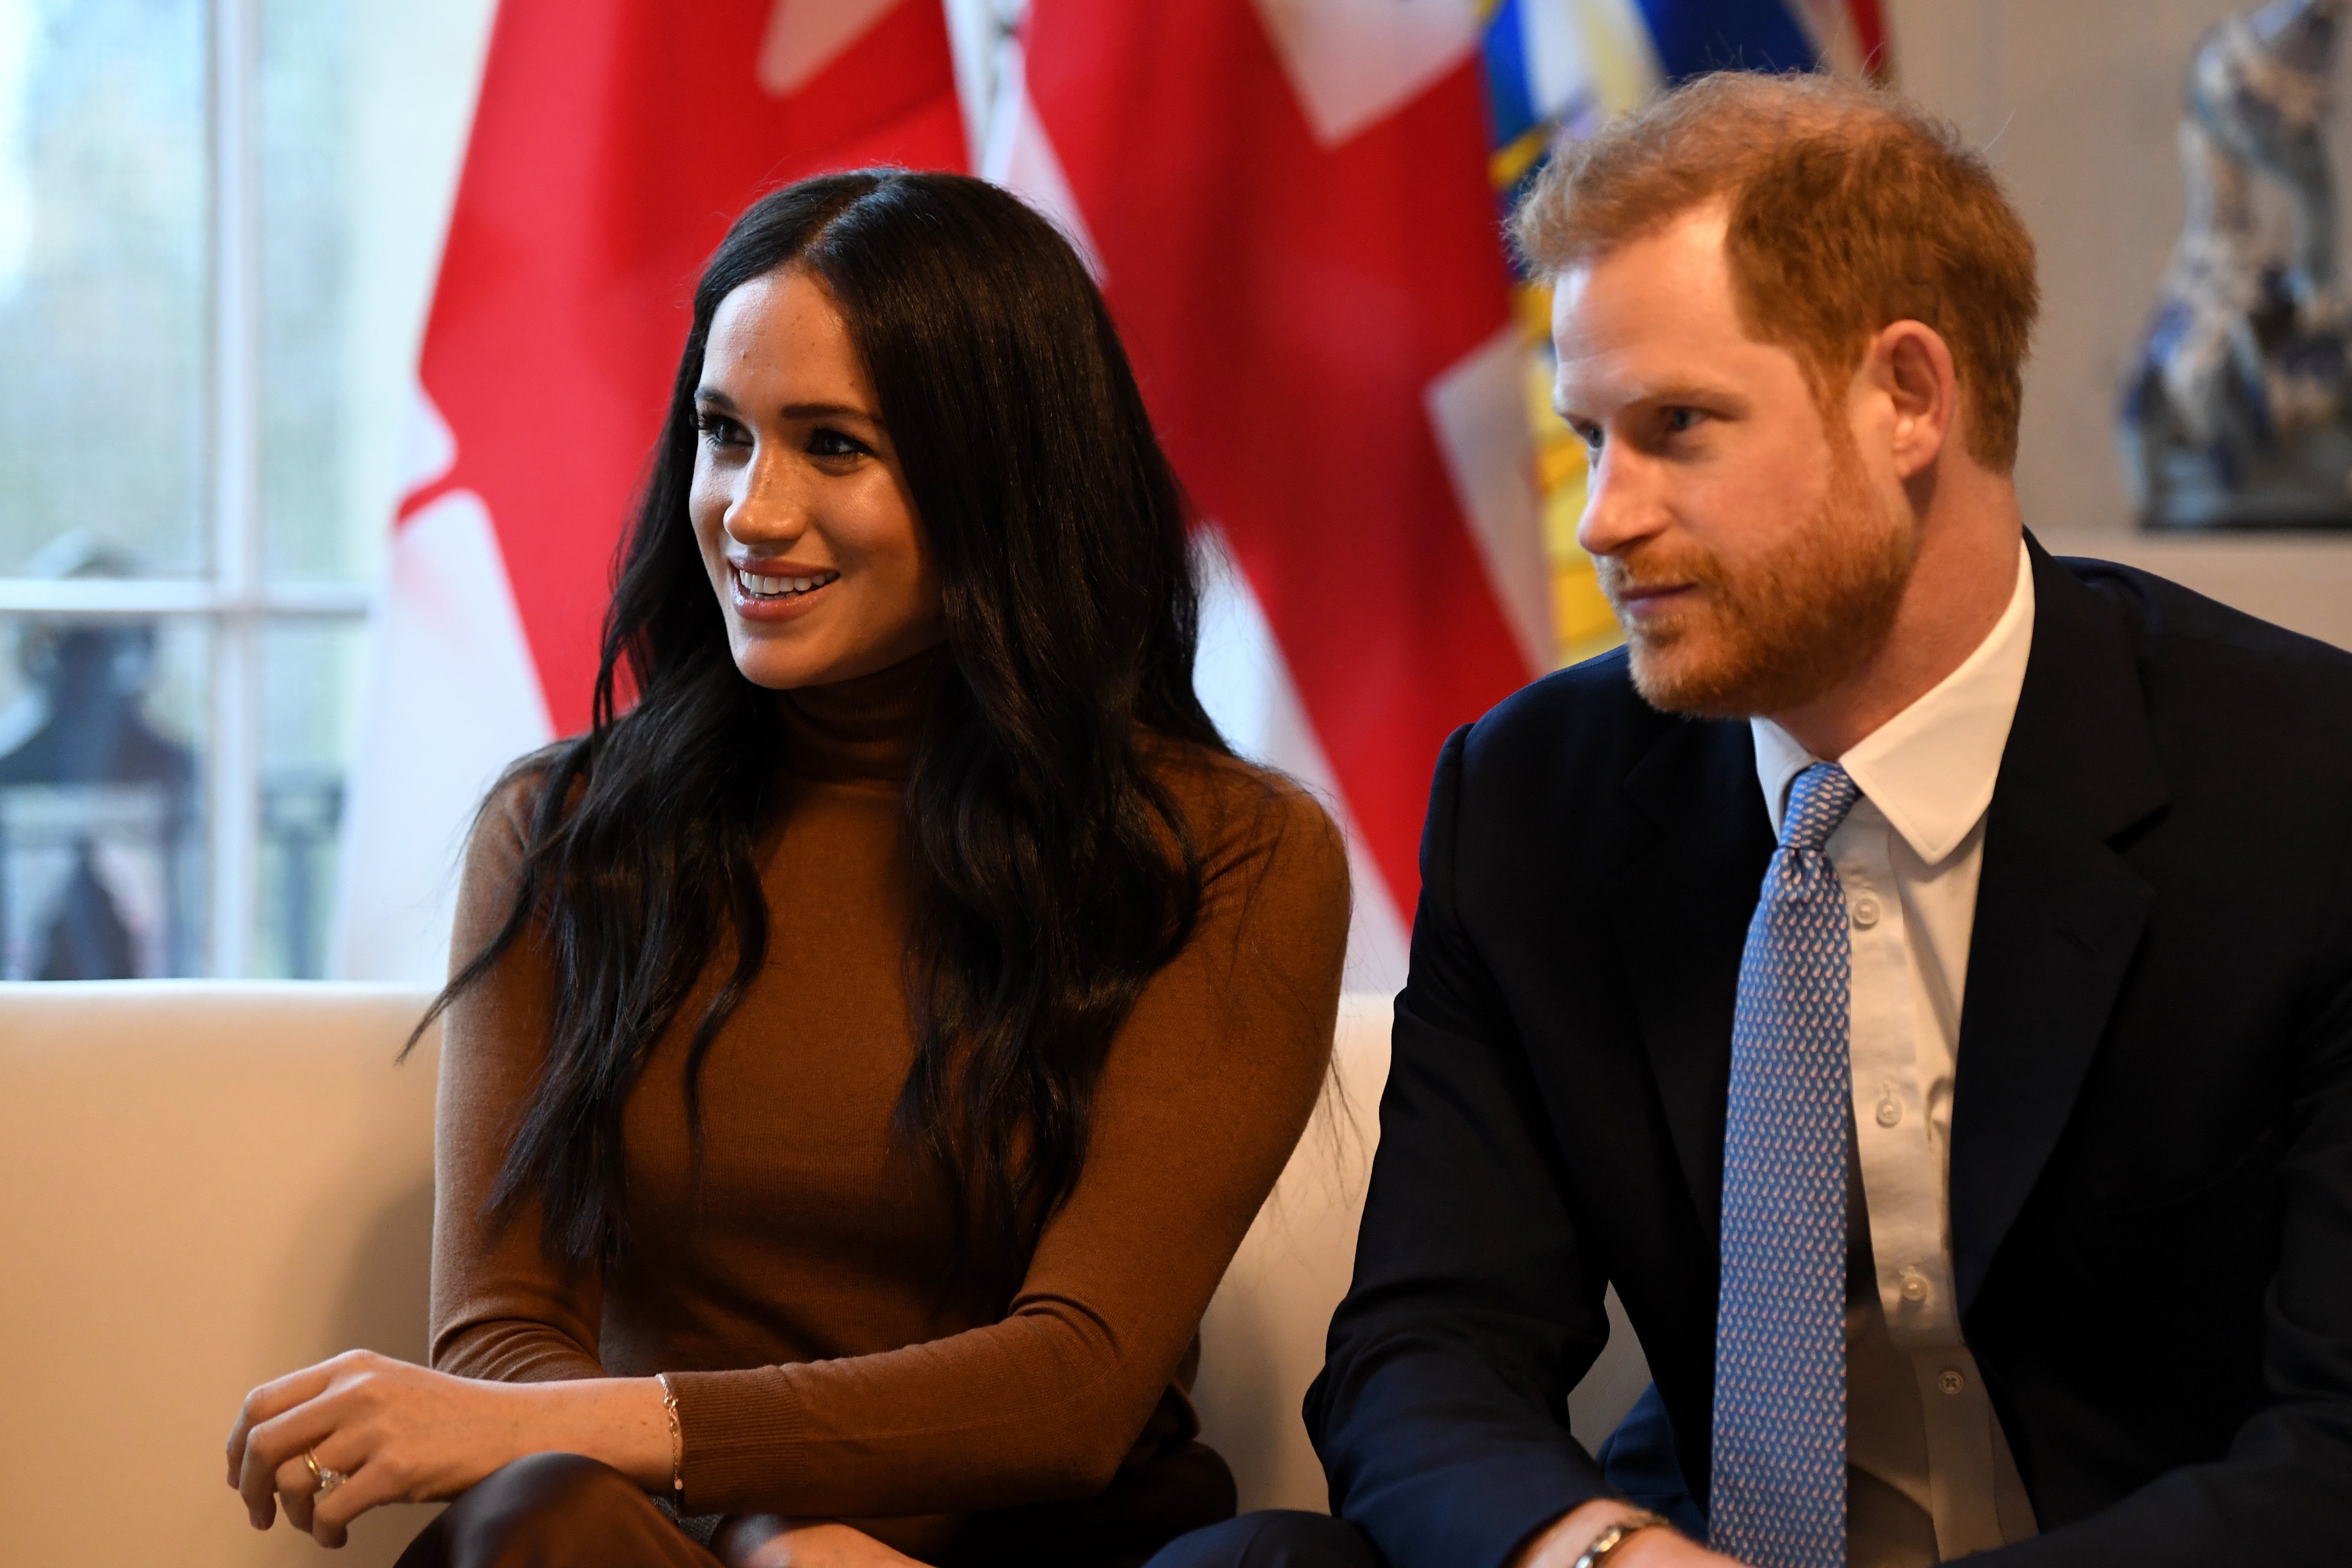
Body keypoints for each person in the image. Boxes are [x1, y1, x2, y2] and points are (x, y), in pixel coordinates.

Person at [1149, 70, 2352, 1568]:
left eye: (1676, 427)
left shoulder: (2306, 785)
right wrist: (1603, 1554)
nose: (1601, 513)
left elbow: (2333, 1457)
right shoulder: (1532, 800)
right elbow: (1424, 1348)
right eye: (1587, 435)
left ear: (1907, 397)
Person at [222, 169, 1351, 1568]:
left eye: (831, 445)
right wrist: (768, 1531)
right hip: (677, 1547)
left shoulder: (1233, 851)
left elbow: (1078, 1381)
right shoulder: (568, 832)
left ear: (1005, 475)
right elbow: (502, 1339)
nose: (749, 512)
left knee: (1290, 1563)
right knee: (536, 1518)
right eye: (721, 434)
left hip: (1062, 1547)